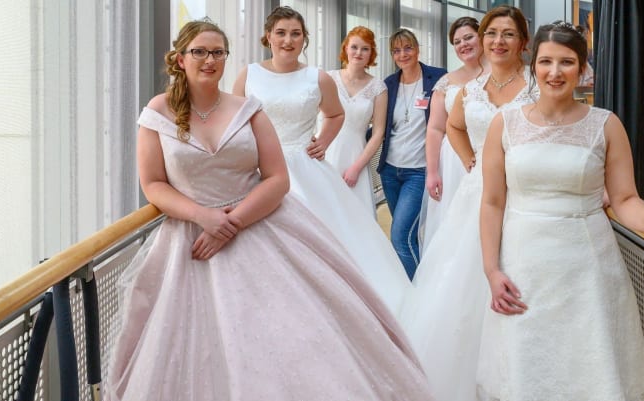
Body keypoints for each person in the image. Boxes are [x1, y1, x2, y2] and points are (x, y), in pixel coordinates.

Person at [104, 19, 436, 401]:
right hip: (189, 236)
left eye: (217, 52)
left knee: (292, 330)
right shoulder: (158, 111)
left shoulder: (248, 109)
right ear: (181, 59)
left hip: (257, 222)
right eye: (199, 52)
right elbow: (153, 184)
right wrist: (202, 216)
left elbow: (277, 178)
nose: (209, 60)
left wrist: (231, 222)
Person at [476, 21, 644, 400]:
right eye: (546, 61)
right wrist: (492, 270)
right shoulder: (504, 124)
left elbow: (625, 200)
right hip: (523, 263)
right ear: (533, 65)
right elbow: (493, 202)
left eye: (566, 62)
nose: (555, 72)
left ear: (582, 68)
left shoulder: (605, 125)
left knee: (589, 366)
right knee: (527, 364)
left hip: (586, 267)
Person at [233, 7, 411, 314]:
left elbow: (335, 114)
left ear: (304, 39)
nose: (288, 40)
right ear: (268, 36)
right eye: (281, 33)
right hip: (257, 168)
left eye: (295, 34)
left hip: (304, 167)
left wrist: (323, 141)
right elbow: (235, 120)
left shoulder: (316, 77)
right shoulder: (249, 74)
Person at [399, 6, 537, 401]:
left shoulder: (535, 84)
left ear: (523, 42)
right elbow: (453, 127)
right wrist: (470, 160)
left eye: (508, 34)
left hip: (524, 194)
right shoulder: (471, 89)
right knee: (465, 283)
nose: (498, 41)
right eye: (492, 33)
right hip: (478, 195)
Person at [379, 28, 447, 279]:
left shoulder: (437, 78)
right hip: (390, 171)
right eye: (396, 51)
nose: (403, 54)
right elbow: (380, 125)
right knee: (409, 235)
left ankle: (419, 292)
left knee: (400, 237)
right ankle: (416, 284)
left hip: (418, 172)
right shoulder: (389, 84)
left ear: (417, 49)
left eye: (408, 48)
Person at [420, 16, 490, 252]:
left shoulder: (499, 73)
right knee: (456, 223)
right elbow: (435, 128)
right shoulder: (446, 82)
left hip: (489, 150)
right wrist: (432, 172)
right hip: (453, 161)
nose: (463, 45)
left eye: (468, 37)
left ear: (482, 37)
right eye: (457, 42)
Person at [324, 26, 387, 216]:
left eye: (365, 48)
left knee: (354, 214)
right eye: (354, 47)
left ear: (371, 53)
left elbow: (378, 133)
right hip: (325, 152)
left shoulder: (378, 87)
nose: (358, 52)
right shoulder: (328, 78)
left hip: (355, 156)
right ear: (345, 49)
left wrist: (356, 168)